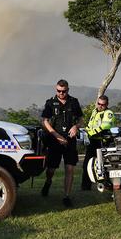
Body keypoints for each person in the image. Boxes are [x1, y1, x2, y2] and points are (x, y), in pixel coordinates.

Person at [40, 79, 84, 207]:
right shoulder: (50, 103)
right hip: (55, 140)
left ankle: (66, 196)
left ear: (68, 90)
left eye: (63, 91)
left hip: (70, 140)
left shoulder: (74, 102)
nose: (61, 93)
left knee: (69, 168)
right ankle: (48, 182)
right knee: (51, 169)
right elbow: (44, 121)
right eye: (59, 91)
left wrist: (76, 127)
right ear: (56, 90)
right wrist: (55, 135)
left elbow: (81, 119)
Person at [81, 95, 117, 190]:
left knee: (106, 165)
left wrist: (91, 133)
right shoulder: (94, 111)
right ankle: (85, 187)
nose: (100, 106)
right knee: (87, 164)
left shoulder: (109, 113)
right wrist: (86, 131)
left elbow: (105, 126)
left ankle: (109, 185)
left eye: (103, 105)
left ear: (107, 104)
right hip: (93, 141)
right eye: (99, 104)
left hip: (104, 142)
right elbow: (90, 124)